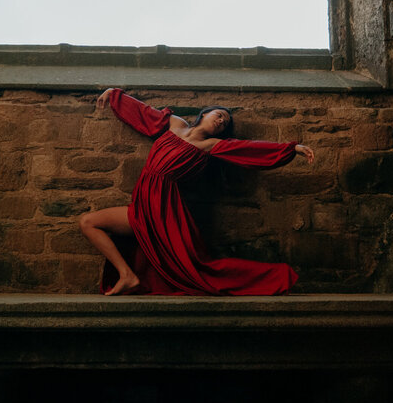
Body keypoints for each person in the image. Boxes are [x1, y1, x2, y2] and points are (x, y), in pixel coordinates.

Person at [79, 88, 315, 295]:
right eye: (219, 115)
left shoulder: (211, 146)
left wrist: (292, 148)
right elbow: (145, 114)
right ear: (204, 114)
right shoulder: (176, 124)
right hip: (143, 205)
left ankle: (275, 276)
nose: (222, 121)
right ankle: (127, 275)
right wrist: (115, 95)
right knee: (88, 222)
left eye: (225, 122)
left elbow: (249, 149)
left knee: (199, 269)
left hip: (163, 208)